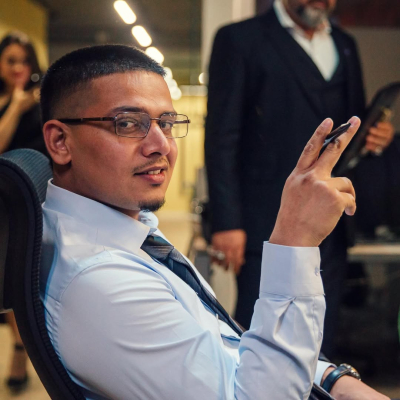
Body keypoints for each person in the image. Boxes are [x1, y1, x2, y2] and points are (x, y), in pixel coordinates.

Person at [38, 44, 389, 400]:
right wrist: (296, 238)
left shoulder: (128, 229)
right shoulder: (101, 280)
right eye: (128, 123)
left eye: (166, 123)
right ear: (60, 141)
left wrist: (331, 379)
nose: (161, 145)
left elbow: (225, 341)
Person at [204, 0, 394, 357]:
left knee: (321, 331)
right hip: (264, 219)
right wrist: (226, 222)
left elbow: (351, 130)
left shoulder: (345, 44)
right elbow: (221, 136)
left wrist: (375, 137)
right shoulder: (239, 39)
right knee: (262, 330)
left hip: (331, 220)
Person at [0, 31, 45, 393]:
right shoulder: (9, 101)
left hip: (27, 203)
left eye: (24, 60)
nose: (18, 67)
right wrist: (15, 104)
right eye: (11, 60)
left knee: (20, 280)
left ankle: (21, 349)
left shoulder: (44, 100)